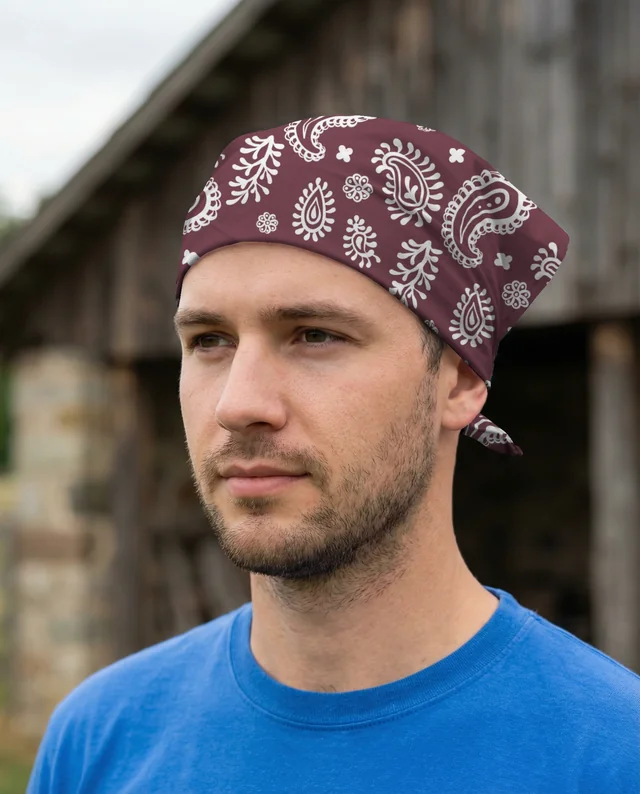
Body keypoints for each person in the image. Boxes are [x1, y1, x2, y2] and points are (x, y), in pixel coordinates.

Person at [28, 116, 639, 793]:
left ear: (462, 379)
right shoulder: (99, 740)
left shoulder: (611, 754)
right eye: (208, 340)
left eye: (314, 335)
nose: (238, 403)